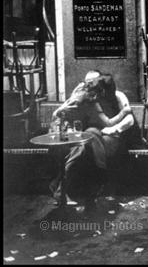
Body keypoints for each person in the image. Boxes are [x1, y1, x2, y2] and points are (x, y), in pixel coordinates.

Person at [49, 72, 137, 206]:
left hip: (106, 135)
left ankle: (63, 187)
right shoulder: (87, 97)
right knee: (87, 140)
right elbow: (61, 113)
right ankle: (94, 186)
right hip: (83, 133)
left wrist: (115, 128)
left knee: (87, 142)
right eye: (87, 83)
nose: (88, 86)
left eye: (93, 82)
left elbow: (128, 119)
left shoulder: (117, 96)